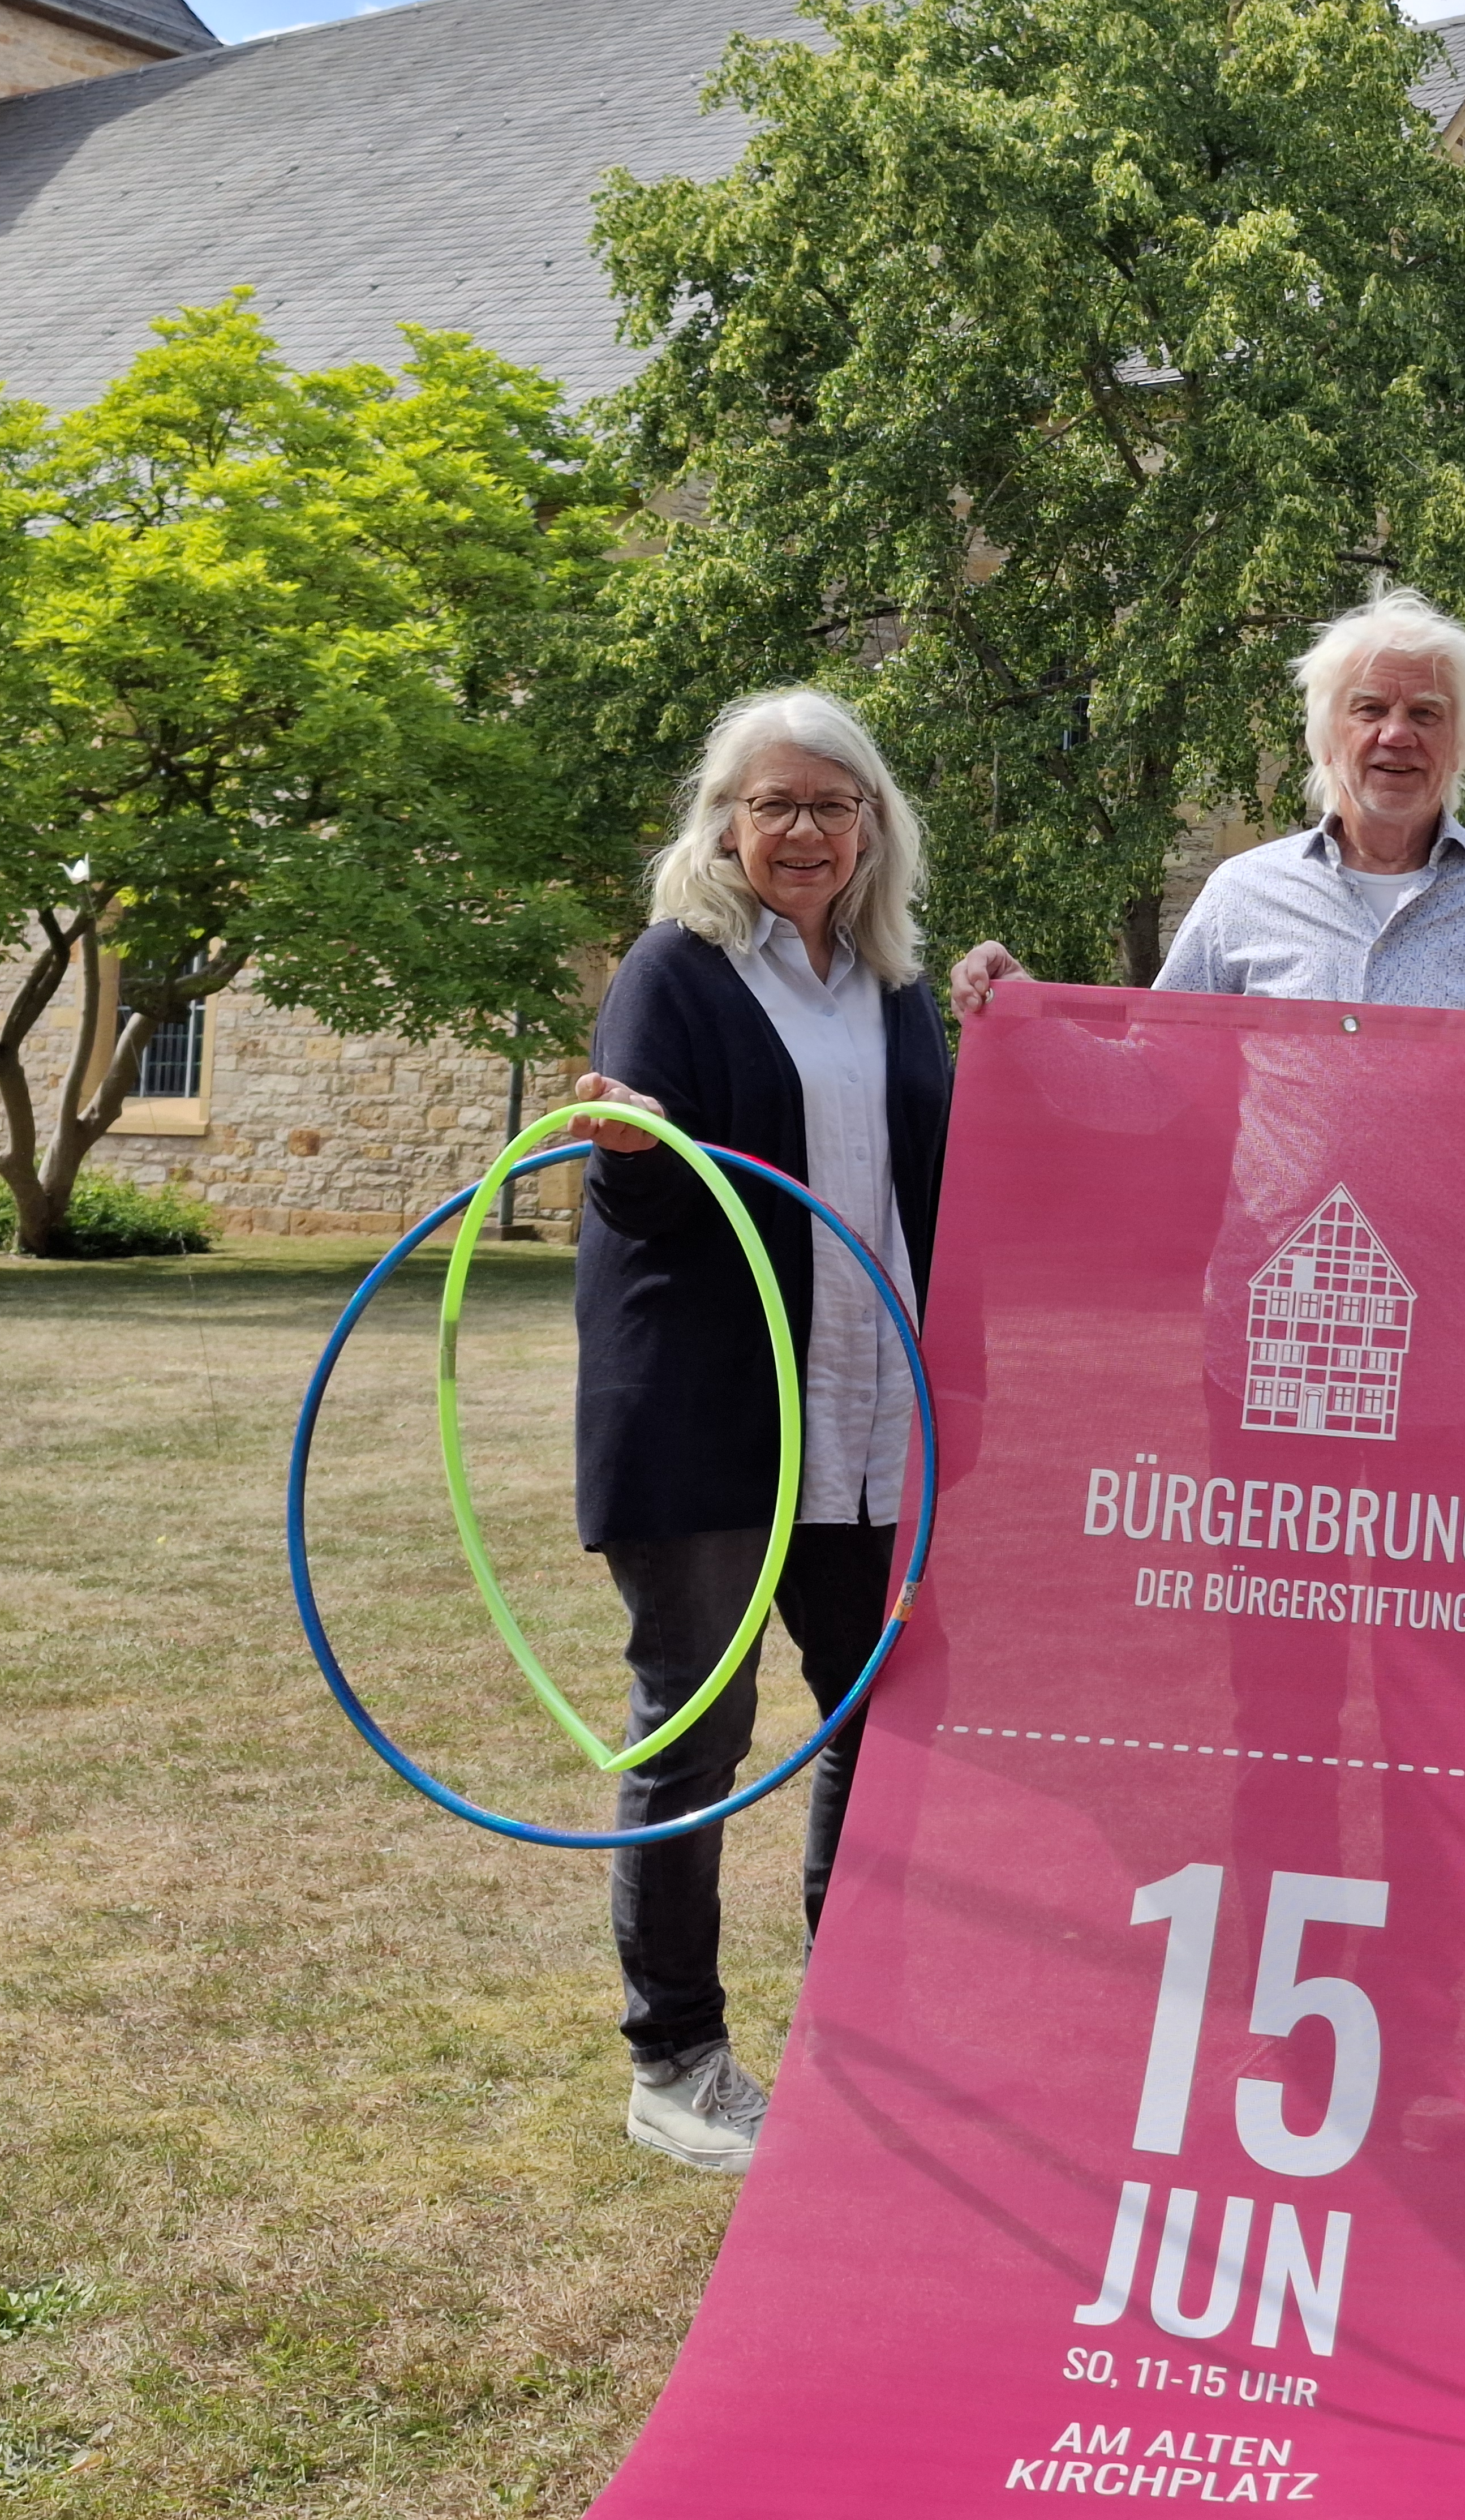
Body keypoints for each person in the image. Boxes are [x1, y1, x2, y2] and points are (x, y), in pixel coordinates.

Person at [571, 687, 952, 2176]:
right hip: (717, 1417)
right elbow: (647, 1195)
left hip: (869, 1410)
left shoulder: (894, 985)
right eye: (775, 803)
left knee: (877, 1719)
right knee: (699, 1729)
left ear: (874, 828)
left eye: (833, 805)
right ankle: (675, 2062)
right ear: (726, 823)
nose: (805, 831)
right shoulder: (678, 969)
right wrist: (623, 1150)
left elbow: (943, 1165)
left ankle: (858, 2036)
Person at [947, 588, 1465, 1019]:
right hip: (1277, 1222)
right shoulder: (1242, 894)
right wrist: (1027, 1009)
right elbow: (1154, 1078)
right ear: (1327, 739)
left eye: (1426, 713)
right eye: (1370, 709)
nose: (1397, 734)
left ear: (1460, 746)